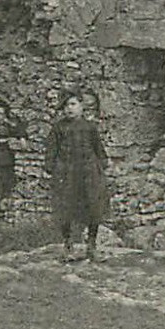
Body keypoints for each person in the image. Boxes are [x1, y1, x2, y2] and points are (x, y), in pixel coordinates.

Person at [46, 89, 109, 262]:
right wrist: (51, 166)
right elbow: (52, 149)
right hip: (67, 173)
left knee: (93, 207)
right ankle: (68, 245)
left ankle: (91, 245)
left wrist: (102, 165)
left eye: (73, 104)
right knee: (66, 209)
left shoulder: (90, 127)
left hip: (88, 173)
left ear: (81, 106)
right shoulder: (58, 128)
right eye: (66, 105)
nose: (69, 109)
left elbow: (98, 149)